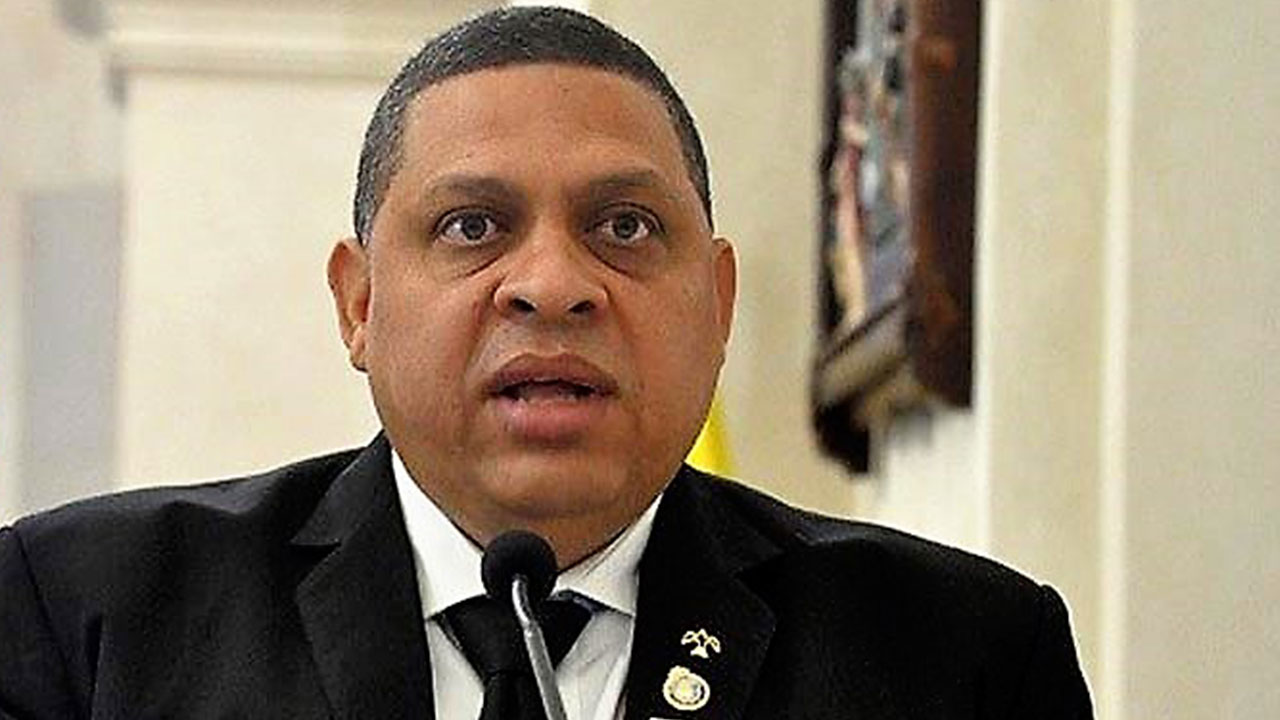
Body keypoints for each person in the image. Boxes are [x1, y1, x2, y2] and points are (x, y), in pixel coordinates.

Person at [0, 7, 1092, 719]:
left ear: (716, 304)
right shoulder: (82, 620)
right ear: (360, 304)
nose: (553, 285)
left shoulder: (962, 659)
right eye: (473, 226)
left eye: (623, 227)